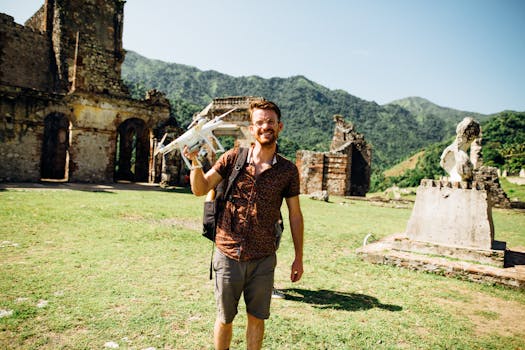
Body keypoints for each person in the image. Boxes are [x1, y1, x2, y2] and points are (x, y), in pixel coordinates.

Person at [184, 100, 304, 350]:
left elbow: (295, 214)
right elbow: (201, 188)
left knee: (257, 319)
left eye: (270, 121)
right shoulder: (233, 158)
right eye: (260, 122)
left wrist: (298, 257)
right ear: (252, 129)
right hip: (227, 253)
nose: (265, 126)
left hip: (263, 257)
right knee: (225, 318)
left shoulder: (288, 171)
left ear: (279, 126)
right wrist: (195, 162)